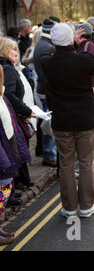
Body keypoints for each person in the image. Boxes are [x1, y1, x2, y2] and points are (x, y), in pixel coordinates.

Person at [41, 23, 94, 218]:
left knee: (66, 165)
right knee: (86, 164)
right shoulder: (84, 60)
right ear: (71, 39)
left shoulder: (47, 62)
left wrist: (69, 41)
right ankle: (86, 207)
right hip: (84, 121)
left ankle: (69, 208)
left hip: (62, 121)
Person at [0, 65, 32, 244]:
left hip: (7, 145)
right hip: (2, 150)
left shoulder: (2, 95)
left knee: (6, 185)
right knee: (4, 186)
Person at [0, 38, 34, 191]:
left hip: (13, 114)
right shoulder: (7, 69)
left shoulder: (8, 66)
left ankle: (18, 184)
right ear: (6, 51)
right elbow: (10, 95)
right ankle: (14, 187)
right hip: (12, 116)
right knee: (14, 150)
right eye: (13, 49)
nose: (16, 53)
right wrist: (26, 110)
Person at [33, 19, 58, 166]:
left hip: (43, 90)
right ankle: (49, 155)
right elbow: (46, 74)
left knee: (47, 122)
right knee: (49, 123)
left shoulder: (42, 44)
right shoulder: (48, 47)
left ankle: (48, 152)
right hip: (46, 91)